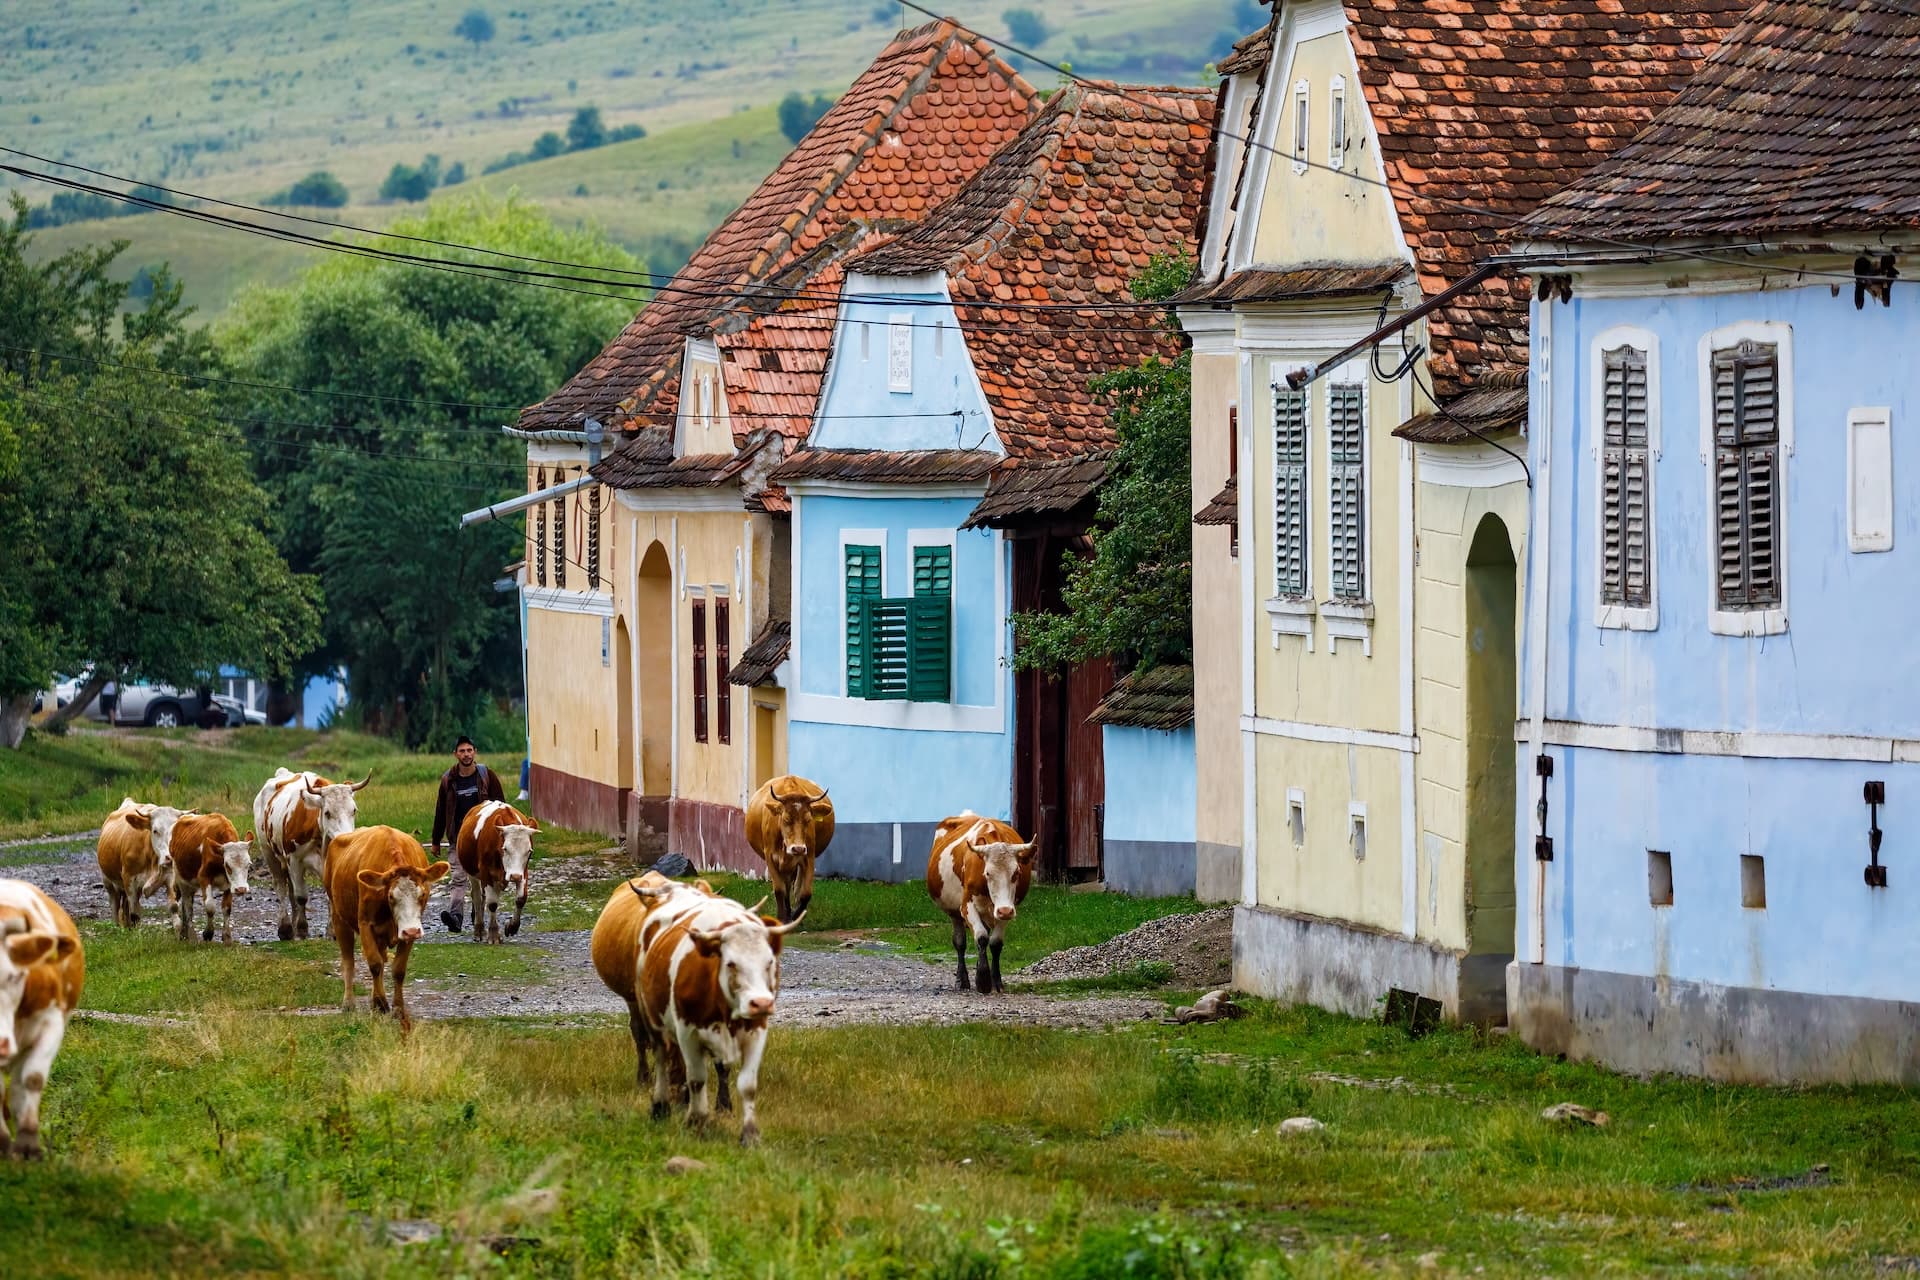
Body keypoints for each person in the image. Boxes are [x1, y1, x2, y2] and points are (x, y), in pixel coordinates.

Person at [432, 735, 504, 932]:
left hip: (484, 839)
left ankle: (477, 913)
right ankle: (455, 917)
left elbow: (501, 806)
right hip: (459, 839)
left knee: (482, 879)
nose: (466, 754)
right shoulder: (448, 780)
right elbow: (440, 811)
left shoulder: (487, 775)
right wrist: (436, 840)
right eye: (462, 751)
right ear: (455, 754)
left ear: (475, 752)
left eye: (469, 750)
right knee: (458, 878)